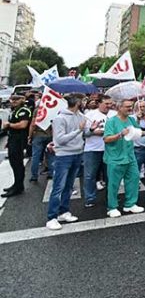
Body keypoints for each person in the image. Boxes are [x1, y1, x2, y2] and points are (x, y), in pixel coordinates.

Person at [45, 95, 85, 230]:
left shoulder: (80, 116)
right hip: (64, 155)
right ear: (78, 102)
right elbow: (60, 139)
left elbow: (84, 132)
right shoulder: (59, 118)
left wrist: (89, 129)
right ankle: (51, 217)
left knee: (69, 185)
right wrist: (78, 130)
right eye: (83, 100)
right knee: (58, 187)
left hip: (77, 153)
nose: (84, 102)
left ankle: (64, 211)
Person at [103, 100, 145, 218]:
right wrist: (120, 134)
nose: (130, 108)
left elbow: (138, 132)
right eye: (127, 107)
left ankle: (130, 204)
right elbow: (106, 139)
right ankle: (112, 207)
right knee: (113, 184)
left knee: (134, 178)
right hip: (115, 157)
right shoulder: (111, 122)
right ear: (119, 108)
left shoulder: (131, 120)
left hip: (129, 156)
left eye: (131, 106)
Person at [82, 96, 113, 207]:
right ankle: (90, 198)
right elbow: (83, 133)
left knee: (110, 175)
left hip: (110, 149)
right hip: (92, 149)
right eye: (106, 104)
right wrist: (93, 131)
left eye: (110, 104)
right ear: (99, 103)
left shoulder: (114, 114)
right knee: (90, 175)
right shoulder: (89, 115)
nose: (109, 106)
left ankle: (111, 197)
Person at [2, 95, 32, 198]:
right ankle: (16, 184)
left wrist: (9, 125)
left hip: (19, 140)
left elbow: (23, 124)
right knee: (13, 163)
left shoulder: (24, 110)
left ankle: (18, 187)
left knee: (17, 163)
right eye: (12, 99)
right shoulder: (15, 110)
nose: (14, 101)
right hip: (13, 139)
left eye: (16, 99)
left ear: (22, 100)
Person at [133, 100, 145, 183]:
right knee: (135, 171)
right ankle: (135, 187)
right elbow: (133, 130)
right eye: (139, 107)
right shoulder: (133, 117)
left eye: (143, 106)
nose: (142, 108)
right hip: (138, 148)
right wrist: (138, 119)